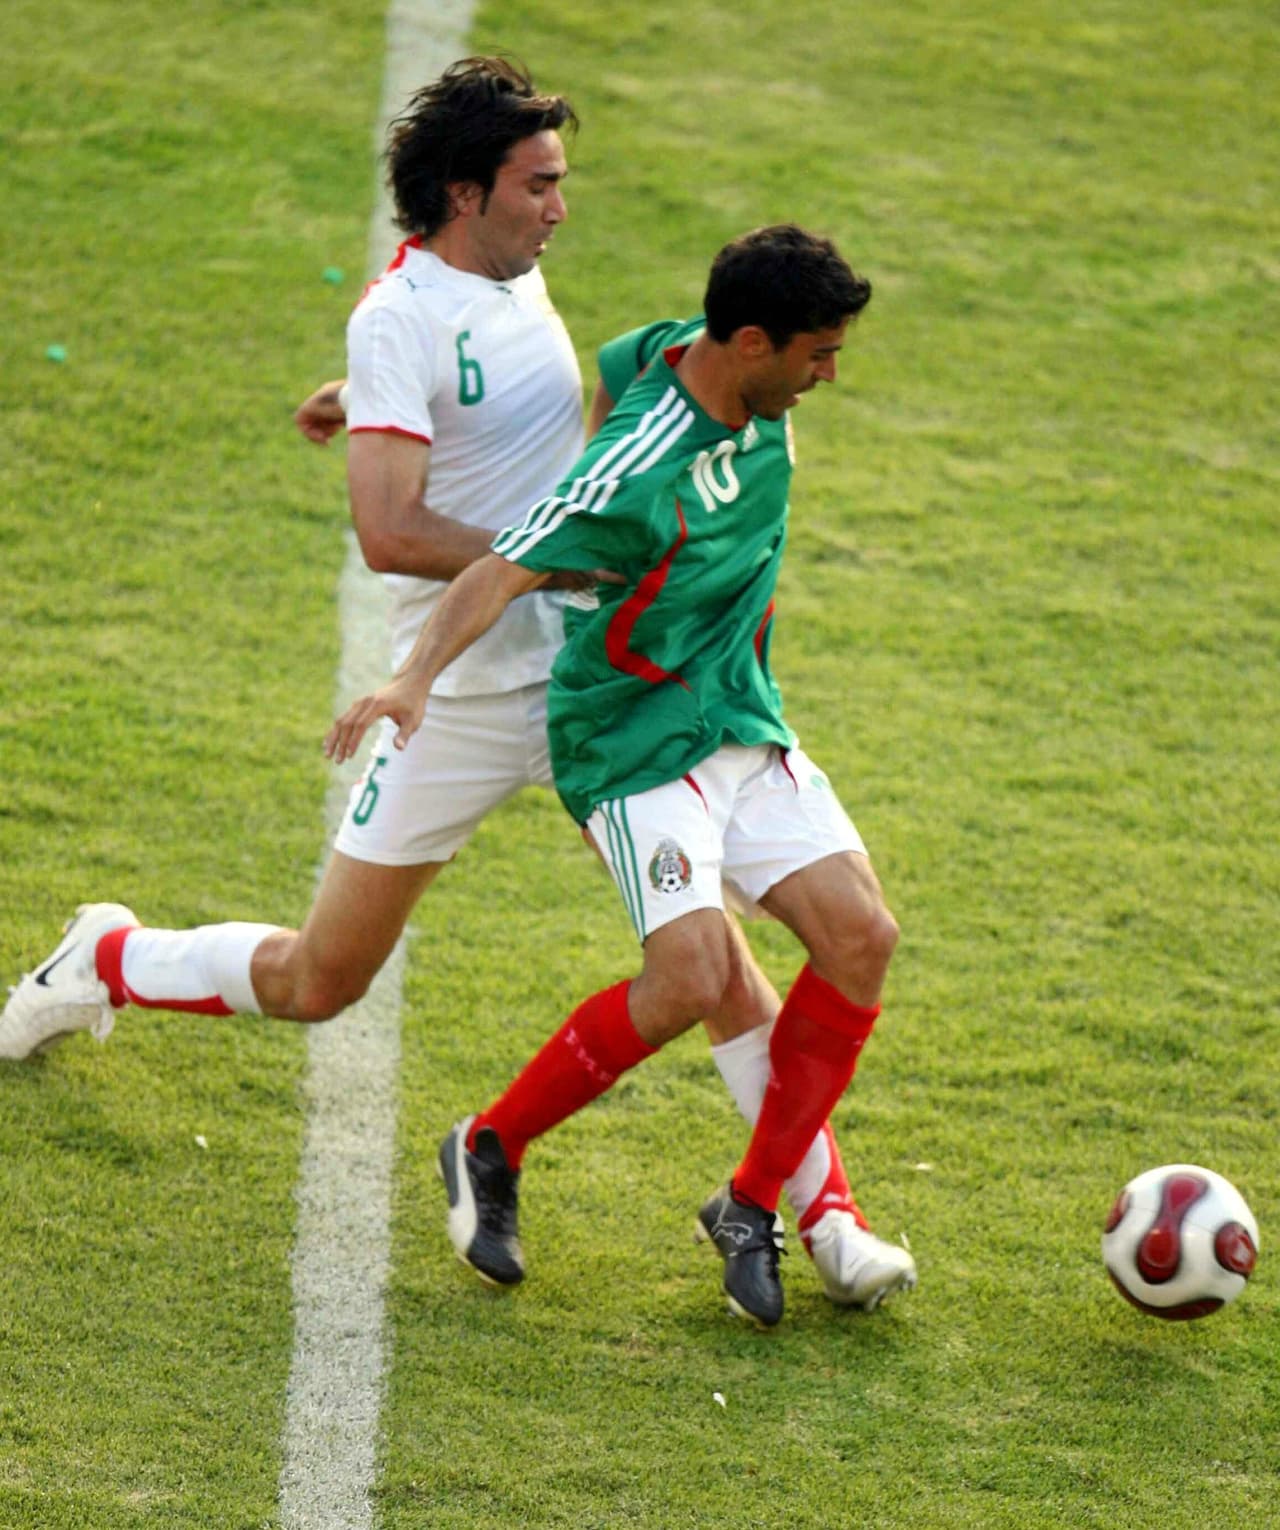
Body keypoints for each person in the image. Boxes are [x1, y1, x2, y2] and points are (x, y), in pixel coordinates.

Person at [0, 61, 907, 1312]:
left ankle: (821, 1217)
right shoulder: (398, 319)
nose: (560, 208)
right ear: (465, 191)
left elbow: (579, 408)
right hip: (469, 685)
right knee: (322, 980)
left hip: (600, 690)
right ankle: (108, 956)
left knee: (712, 965)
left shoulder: (512, 275)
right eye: (540, 185)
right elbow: (387, 530)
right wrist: (549, 559)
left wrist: (411, 435)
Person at [325, 224, 918, 1328]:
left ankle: (750, 1205)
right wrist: (410, 681)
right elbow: (504, 568)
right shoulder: (635, 473)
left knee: (861, 937)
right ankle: (490, 1143)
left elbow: (609, 364)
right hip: (631, 742)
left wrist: (349, 395)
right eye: (818, 353)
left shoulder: (669, 353)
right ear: (749, 342)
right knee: (691, 973)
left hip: (736, 715)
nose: (831, 373)